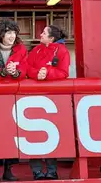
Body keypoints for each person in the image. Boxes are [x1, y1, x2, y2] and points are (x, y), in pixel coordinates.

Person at [0, 19, 28, 181]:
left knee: (13, 130)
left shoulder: (21, 48)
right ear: (1, 34)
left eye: (14, 32)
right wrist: (2, 72)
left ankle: (9, 167)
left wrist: (15, 72)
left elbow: (25, 67)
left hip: (14, 94)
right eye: (8, 32)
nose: (11, 36)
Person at [26, 25, 70, 180]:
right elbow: (27, 67)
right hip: (32, 97)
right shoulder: (36, 50)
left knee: (51, 134)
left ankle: (52, 170)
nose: (40, 34)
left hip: (52, 99)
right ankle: (36, 170)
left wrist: (47, 73)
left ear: (51, 38)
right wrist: (37, 74)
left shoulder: (62, 51)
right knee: (34, 134)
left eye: (44, 33)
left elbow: (63, 73)